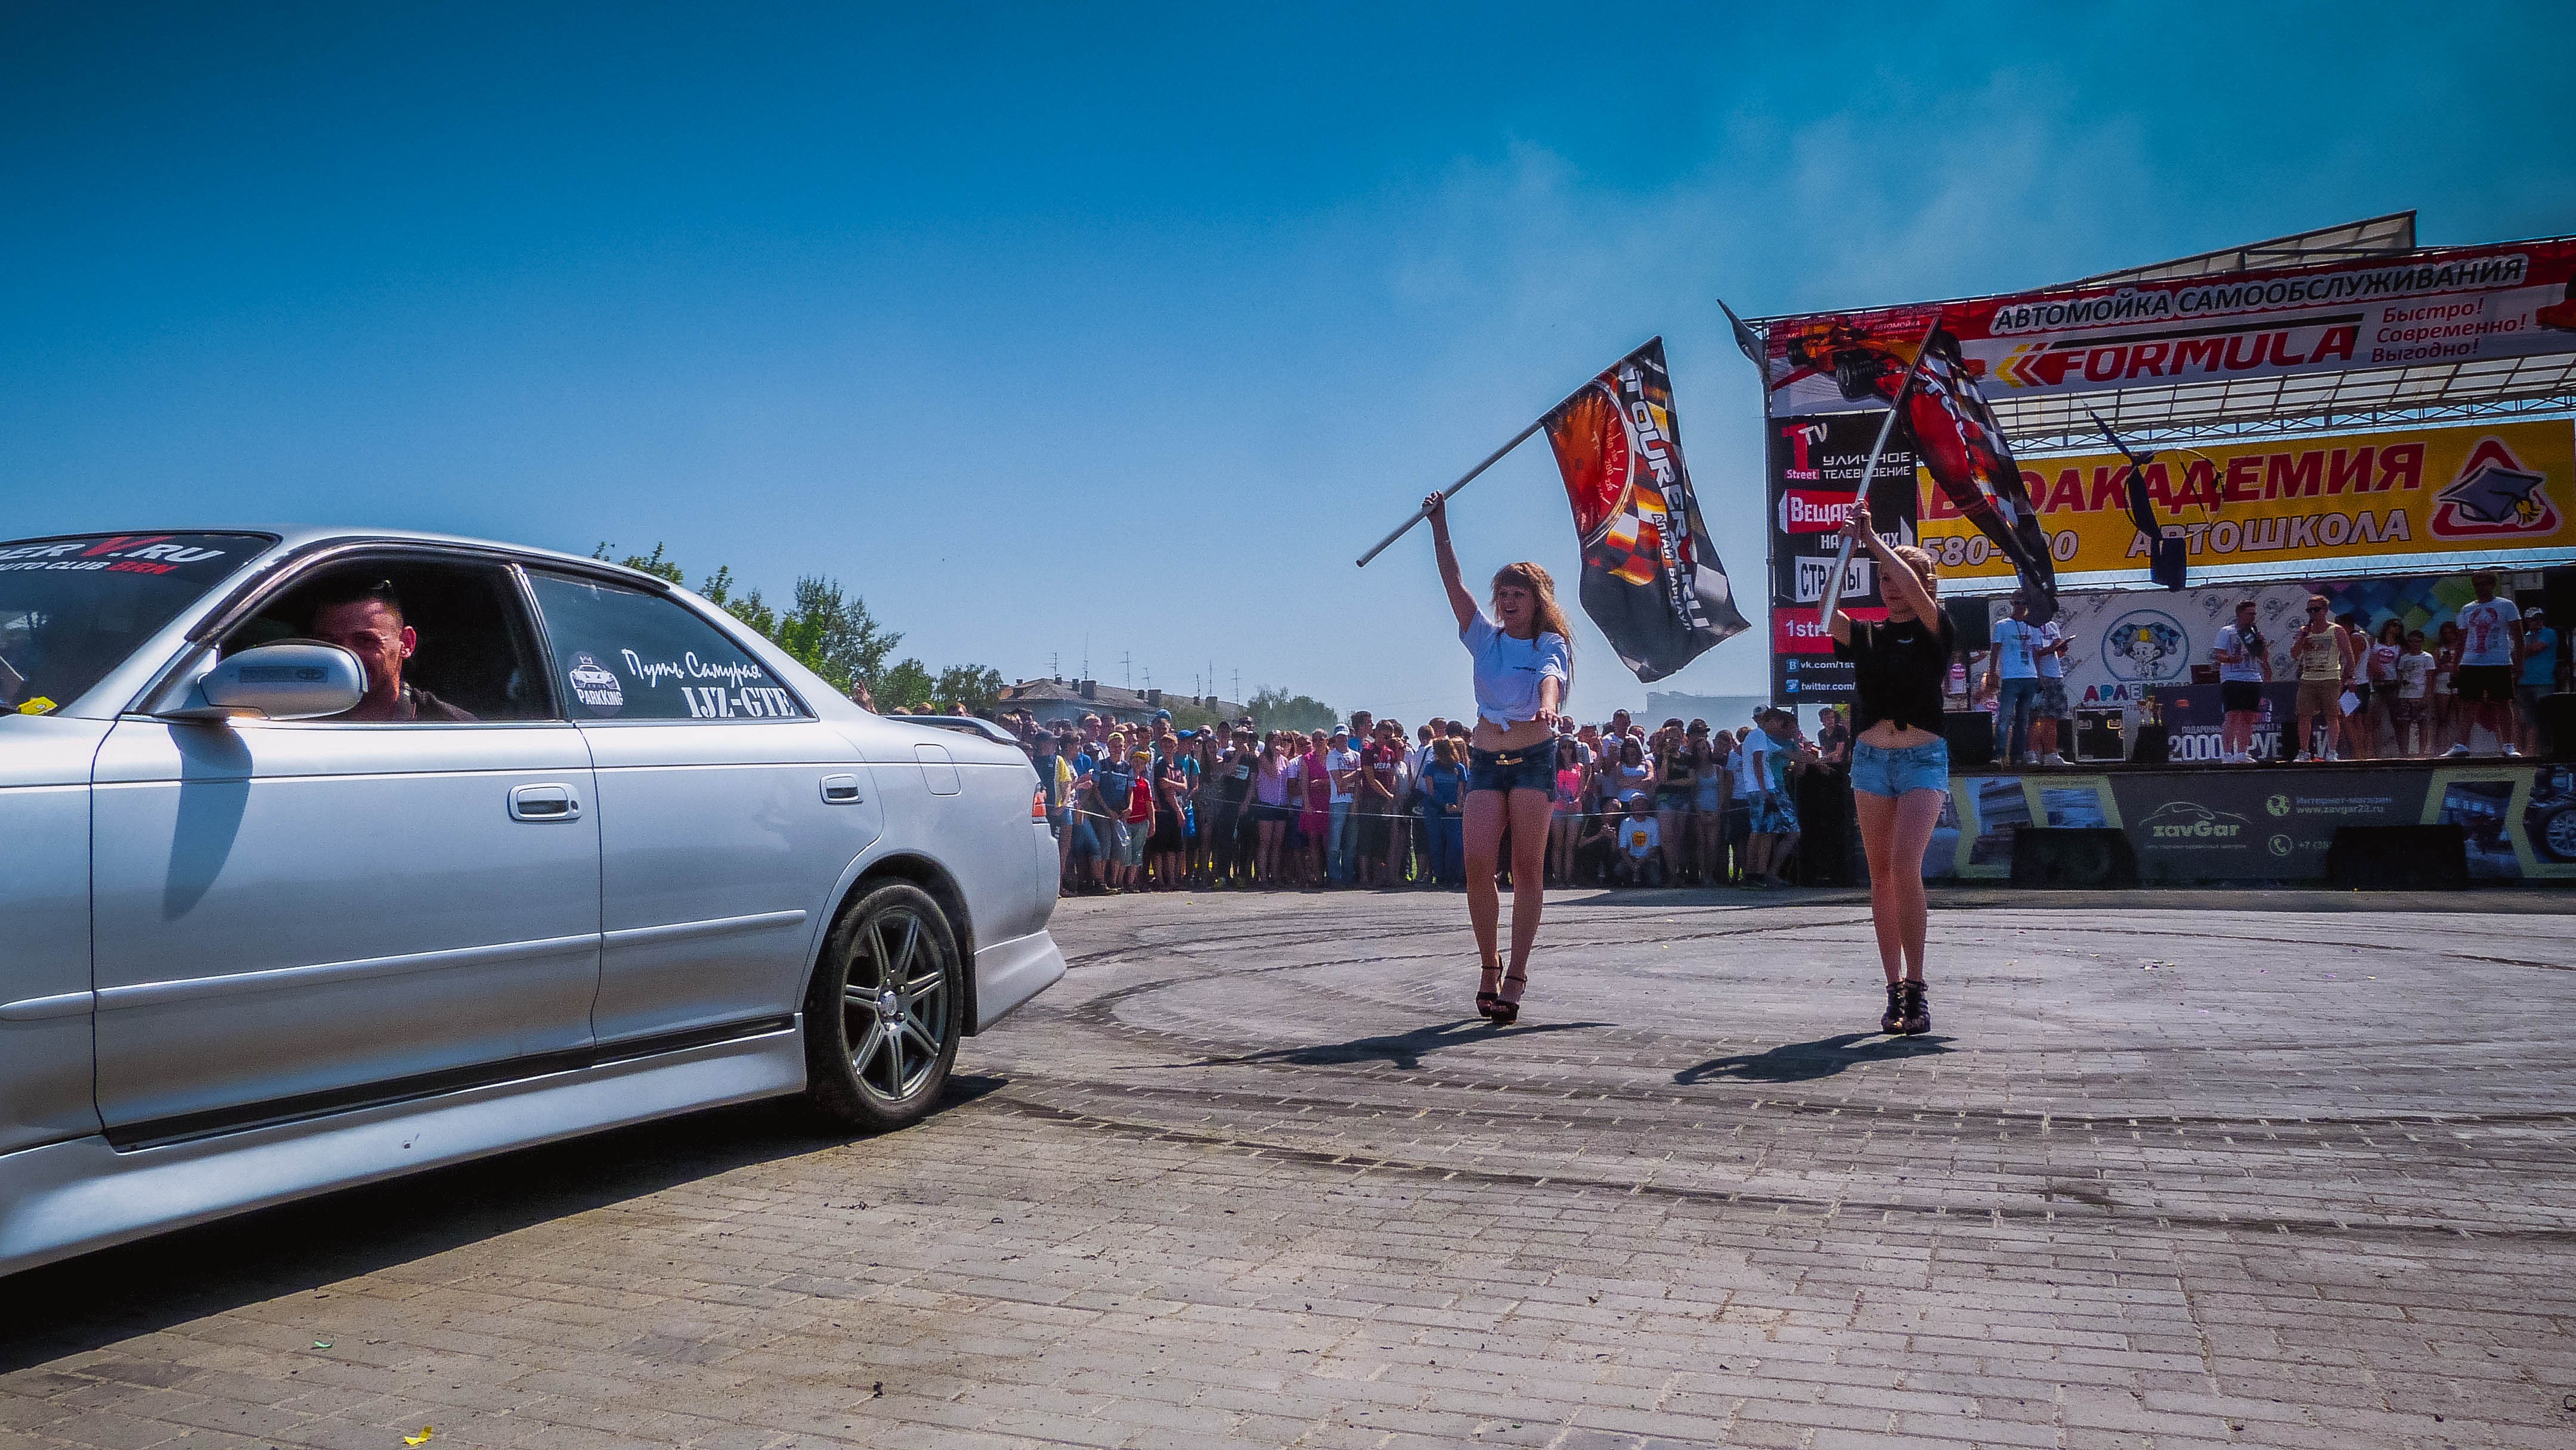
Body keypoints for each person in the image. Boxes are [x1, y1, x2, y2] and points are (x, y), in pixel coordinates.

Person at [1423, 491, 1569, 1027]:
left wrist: (1549, 707)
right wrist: (1439, 525)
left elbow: (1551, 679)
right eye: (1503, 594)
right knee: (1478, 863)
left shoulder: (1549, 643)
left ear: (1536, 601)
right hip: (1485, 760)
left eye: (1517, 594)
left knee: (1527, 866)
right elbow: (1452, 583)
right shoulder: (1484, 637)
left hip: (1534, 758)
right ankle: (1489, 963)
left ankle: (1518, 974)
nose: (1508, 602)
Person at [1826, 499, 1950, 1036]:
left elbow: (1921, 600)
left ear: (1922, 584)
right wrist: (1845, 549)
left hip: (1923, 757)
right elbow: (1825, 614)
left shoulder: (1936, 627)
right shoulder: (1867, 634)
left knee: (1904, 867)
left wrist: (1875, 541)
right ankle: (1894, 988)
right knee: (1880, 876)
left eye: (1899, 578)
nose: (1890, 587)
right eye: (1882, 579)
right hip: (1871, 759)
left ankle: (1918, 986)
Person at [305, 578, 476, 723]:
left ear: (407, 644)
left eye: (365, 640)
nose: (346, 655)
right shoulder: (296, 721)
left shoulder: (452, 729)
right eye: (329, 642)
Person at [2448, 571, 2523, 758]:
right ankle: (2461, 745)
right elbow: (2462, 638)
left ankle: (2508, 745)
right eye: (2477, 585)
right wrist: (2456, 664)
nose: (2480, 588)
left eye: (2484, 584)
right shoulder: (2467, 609)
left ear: (2492, 585)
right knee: (2467, 704)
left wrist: (2519, 662)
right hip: (2471, 662)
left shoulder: (2506, 605)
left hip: (2498, 661)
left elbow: (2518, 635)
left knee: (2503, 702)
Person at [2288, 596, 2353, 762]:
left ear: (2325, 611)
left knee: (2332, 715)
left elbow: (2348, 655)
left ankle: (2332, 751)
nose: (2313, 613)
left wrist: (2350, 678)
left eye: (2316, 610)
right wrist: (2302, 638)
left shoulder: (2336, 630)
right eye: (2309, 610)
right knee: (2304, 715)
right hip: (2308, 678)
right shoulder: (2305, 631)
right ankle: (2304, 751)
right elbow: (2294, 654)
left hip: (2330, 677)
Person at [2212, 599, 2271, 764]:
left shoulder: (2253, 633)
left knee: (2248, 717)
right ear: (2239, 614)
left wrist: (2262, 643)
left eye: (2254, 614)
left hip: (2253, 678)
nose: (2253, 617)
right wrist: (2231, 659)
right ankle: (2227, 753)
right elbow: (2218, 655)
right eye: (2249, 614)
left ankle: (2242, 753)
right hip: (2233, 679)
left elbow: (2263, 657)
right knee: (2232, 715)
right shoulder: (2227, 631)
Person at [1987, 594, 2042, 765]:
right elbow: (1995, 650)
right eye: (2018, 602)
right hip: (2010, 677)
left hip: (2030, 677)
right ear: (2012, 603)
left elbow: (2036, 653)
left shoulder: (2033, 626)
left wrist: (2039, 676)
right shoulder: (2002, 625)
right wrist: (1992, 673)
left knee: (2023, 719)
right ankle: (1999, 755)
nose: (2021, 605)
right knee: (2005, 716)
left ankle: (2018, 756)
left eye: (2024, 602)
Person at [1421, 736, 1468, 885]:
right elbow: (1431, 791)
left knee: (1456, 844)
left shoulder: (1459, 768)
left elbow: (1461, 789)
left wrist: (1458, 805)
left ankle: (1454, 876)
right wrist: (1444, 805)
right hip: (1435, 810)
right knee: (1437, 845)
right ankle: (1440, 877)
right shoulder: (1431, 767)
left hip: (1454, 812)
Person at [2357, 619, 2403, 761]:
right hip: (2376, 684)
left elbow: (2400, 666)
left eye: (2399, 627)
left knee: (2396, 719)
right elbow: (2367, 659)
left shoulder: (2400, 647)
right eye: (2393, 625)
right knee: (2375, 719)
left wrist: (2400, 682)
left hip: (2392, 683)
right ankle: (2377, 752)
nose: (2396, 629)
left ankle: (2401, 751)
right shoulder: (2375, 642)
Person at [2030, 614, 2072, 766]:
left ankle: (2051, 754)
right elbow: (2033, 653)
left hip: (2055, 675)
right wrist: (2051, 649)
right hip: (2039, 675)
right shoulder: (2029, 626)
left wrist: (2061, 649)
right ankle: (2032, 753)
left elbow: (2057, 652)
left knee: (2053, 718)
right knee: (2037, 718)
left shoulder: (2052, 625)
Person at [2518, 606, 2558, 754]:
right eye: (2534, 619)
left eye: (2540, 618)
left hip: (2544, 683)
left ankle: (2550, 750)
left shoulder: (2549, 633)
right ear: (2528, 621)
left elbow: (2535, 649)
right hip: (2524, 683)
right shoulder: (2525, 637)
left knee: (2546, 719)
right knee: (2528, 721)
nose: (2538, 621)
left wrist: (2519, 651)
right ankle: (2531, 753)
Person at [1547, 738, 1587, 885]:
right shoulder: (1554, 767)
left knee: (1571, 845)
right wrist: (1562, 800)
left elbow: (1582, 787)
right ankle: (1558, 878)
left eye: (1570, 747)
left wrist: (1576, 800)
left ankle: (1569, 878)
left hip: (1575, 807)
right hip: (1558, 807)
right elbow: (1552, 786)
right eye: (1564, 747)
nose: (1567, 750)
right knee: (1558, 844)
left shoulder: (1579, 767)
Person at [2395, 630, 2434, 759]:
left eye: (2417, 641)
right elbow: (2399, 675)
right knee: (2404, 725)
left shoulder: (2427, 658)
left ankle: (2422, 753)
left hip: (2420, 695)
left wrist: (2426, 697)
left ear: (2422, 642)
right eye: (2411, 641)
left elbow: (2430, 679)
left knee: (2422, 724)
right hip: (2405, 695)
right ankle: (2404, 753)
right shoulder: (2404, 658)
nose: (2414, 644)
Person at [1611, 794, 1664, 886]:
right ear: (1631, 808)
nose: (1641, 807)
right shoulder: (1626, 823)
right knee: (1618, 871)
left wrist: (1641, 862)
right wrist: (1632, 865)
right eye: (1637, 804)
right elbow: (1622, 848)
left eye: (1643, 804)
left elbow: (1655, 847)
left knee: (1656, 881)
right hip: (1631, 858)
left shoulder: (1654, 822)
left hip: (1649, 859)